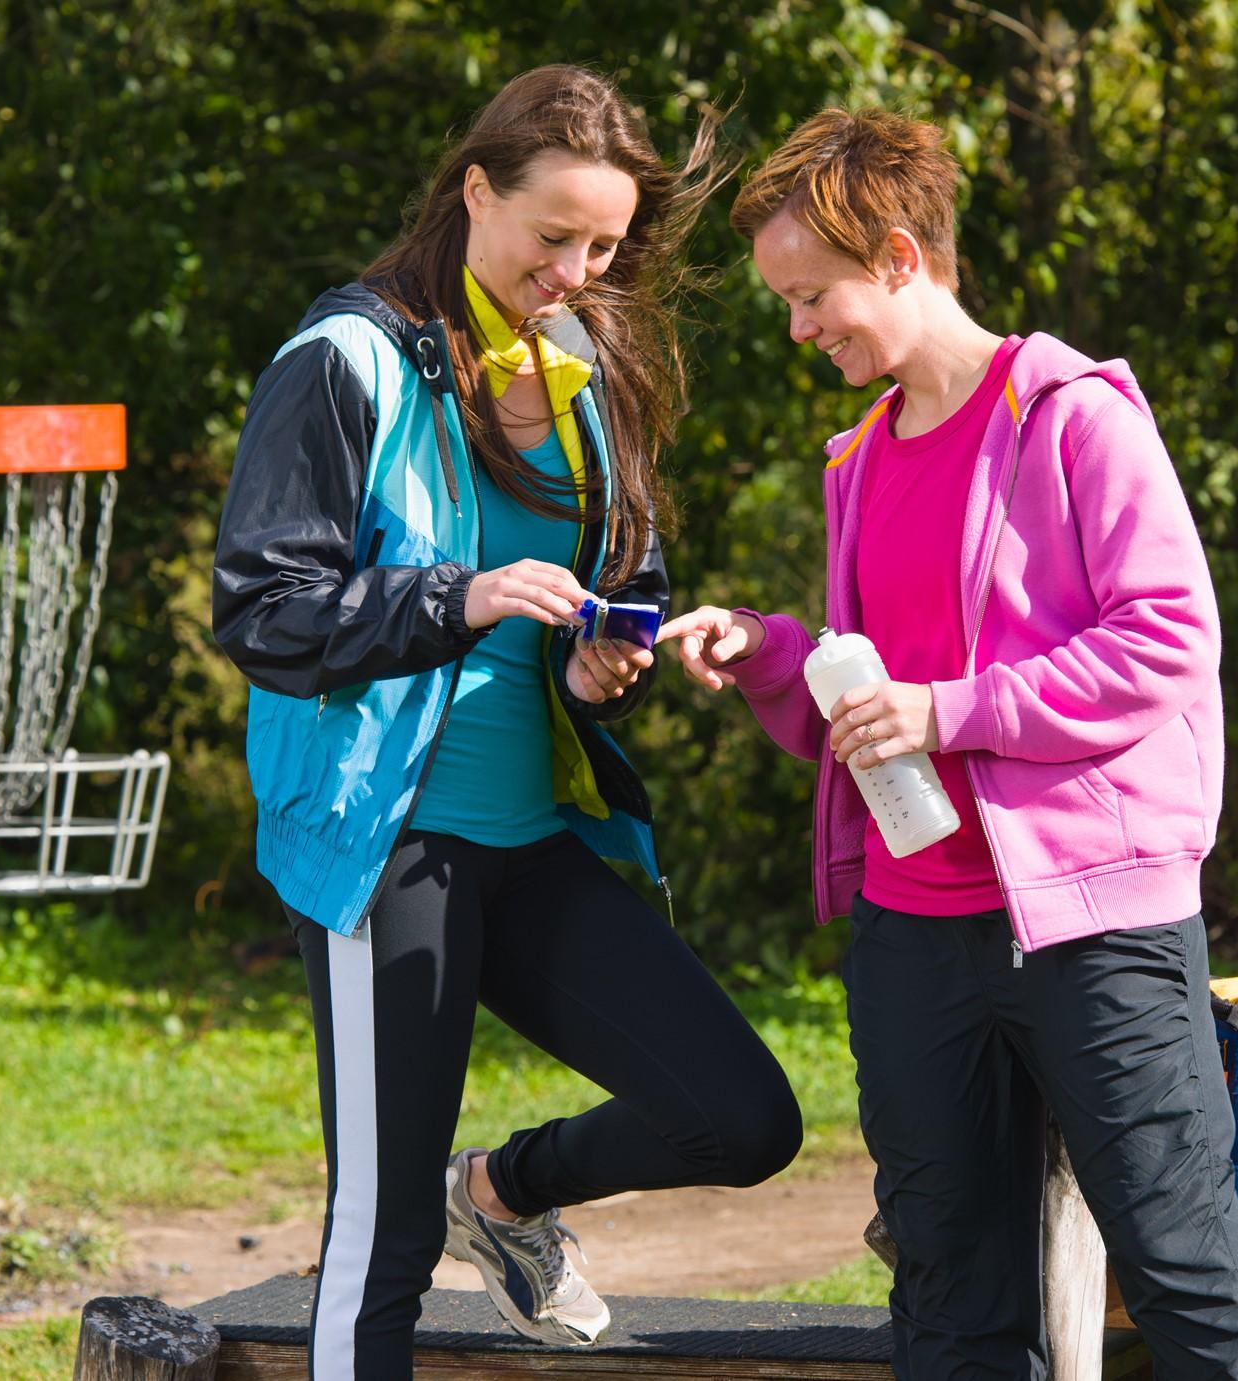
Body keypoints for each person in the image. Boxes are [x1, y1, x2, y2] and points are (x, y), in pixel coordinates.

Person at [658, 108, 1238, 1380]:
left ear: (898, 257)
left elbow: (1166, 639)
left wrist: (949, 710)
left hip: (1093, 929)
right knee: (947, 1309)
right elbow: (876, 690)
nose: (798, 329)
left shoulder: (1075, 418)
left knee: (1184, 1287)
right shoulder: (855, 460)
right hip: (911, 937)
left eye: (810, 296)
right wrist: (771, 651)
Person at [211, 65, 801, 1381]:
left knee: (742, 1116)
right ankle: (433, 1215)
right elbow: (260, 610)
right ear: (476, 191)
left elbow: (623, 575)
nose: (577, 272)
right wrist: (455, 597)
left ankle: (499, 1194)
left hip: (533, 838)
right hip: (386, 846)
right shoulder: (342, 360)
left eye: (603, 246)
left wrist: (604, 665)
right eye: (554, 237)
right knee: (381, 1237)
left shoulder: (585, 361)